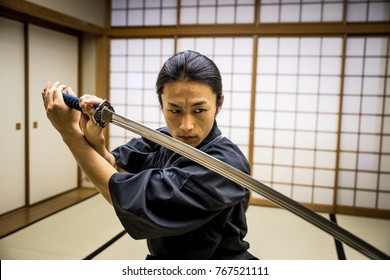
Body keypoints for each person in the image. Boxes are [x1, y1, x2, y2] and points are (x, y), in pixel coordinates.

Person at [42, 50, 257, 260]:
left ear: (219, 104)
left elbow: (122, 193)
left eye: (199, 110)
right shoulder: (161, 139)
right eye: (174, 110)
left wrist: (70, 133)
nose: (186, 126)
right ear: (162, 104)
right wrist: (95, 141)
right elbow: (114, 169)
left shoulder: (226, 165)